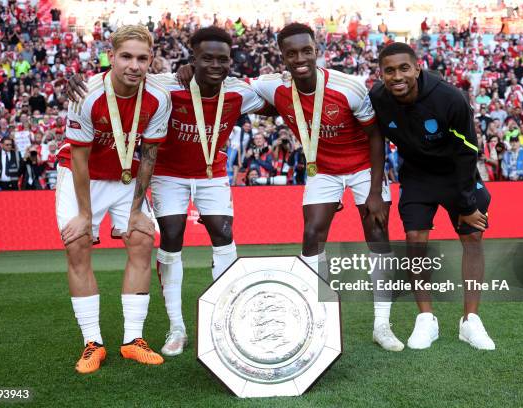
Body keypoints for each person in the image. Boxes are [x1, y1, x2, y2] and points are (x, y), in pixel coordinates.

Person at [196, 23, 400, 351]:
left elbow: (376, 135)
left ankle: (382, 324)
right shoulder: (272, 86)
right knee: (311, 235)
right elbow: (230, 84)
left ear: (316, 50)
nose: (300, 58)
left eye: (306, 50)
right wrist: (188, 71)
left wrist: (375, 192)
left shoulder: (349, 87)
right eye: (291, 53)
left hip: (363, 169)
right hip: (323, 171)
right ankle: (314, 319)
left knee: (377, 234)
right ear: (282, 56)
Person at [67, 26, 269, 357]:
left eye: (223, 59)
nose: (215, 65)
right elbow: (121, 79)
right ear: (193, 58)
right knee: (172, 234)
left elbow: (275, 97)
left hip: (211, 172)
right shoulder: (166, 84)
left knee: (223, 230)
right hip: (167, 174)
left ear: (232, 61)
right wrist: (79, 80)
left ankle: (227, 319)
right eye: (207, 59)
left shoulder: (239, 91)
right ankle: (177, 327)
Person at [56, 25, 171, 374]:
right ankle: (93, 343)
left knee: (142, 240)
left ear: (151, 60)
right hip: (82, 177)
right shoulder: (87, 93)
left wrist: (137, 210)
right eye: (126, 57)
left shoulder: (158, 97)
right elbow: (78, 158)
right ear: (111, 57)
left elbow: (149, 155)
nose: (134, 66)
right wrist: (85, 217)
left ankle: (132, 340)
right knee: (77, 243)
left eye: (142, 58)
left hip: (126, 174)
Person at [369, 42, 495, 350]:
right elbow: (373, 140)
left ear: (417, 68)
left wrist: (466, 204)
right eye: (389, 70)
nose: (397, 76)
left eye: (403, 68)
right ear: (381, 73)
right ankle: (427, 319)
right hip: (417, 176)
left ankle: (470, 321)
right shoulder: (378, 99)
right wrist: (373, 189)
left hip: (457, 174)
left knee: (473, 237)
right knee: (414, 240)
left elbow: (468, 152)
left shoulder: (450, 98)